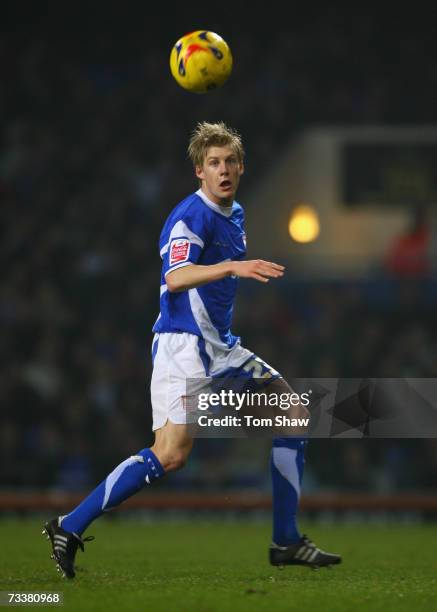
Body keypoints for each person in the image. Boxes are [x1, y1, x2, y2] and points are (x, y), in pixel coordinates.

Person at [43, 121, 341, 578]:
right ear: (199, 172)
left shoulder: (236, 213)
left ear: (241, 167)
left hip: (222, 348)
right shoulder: (191, 216)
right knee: (171, 454)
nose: (222, 170)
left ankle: (286, 540)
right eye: (213, 163)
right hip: (183, 347)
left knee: (294, 414)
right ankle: (69, 525)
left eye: (229, 162)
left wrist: (230, 271)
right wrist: (232, 267)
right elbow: (174, 277)